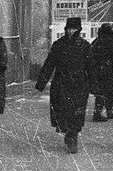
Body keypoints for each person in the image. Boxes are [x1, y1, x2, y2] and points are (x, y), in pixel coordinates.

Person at [35, 17, 93, 154]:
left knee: (76, 113)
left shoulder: (85, 46)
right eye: (69, 28)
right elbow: (49, 64)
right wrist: (41, 83)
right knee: (63, 113)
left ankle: (73, 139)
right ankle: (69, 135)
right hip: (61, 84)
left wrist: (94, 86)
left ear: (79, 29)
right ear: (65, 29)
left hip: (79, 85)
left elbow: (91, 67)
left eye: (74, 28)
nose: (71, 31)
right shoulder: (58, 45)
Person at [91, 23, 113, 122]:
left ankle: (99, 111)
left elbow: (92, 57)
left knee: (101, 92)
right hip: (111, 70)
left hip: (99, 70)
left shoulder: (97, 42)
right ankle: (109, 109)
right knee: (110, 91)